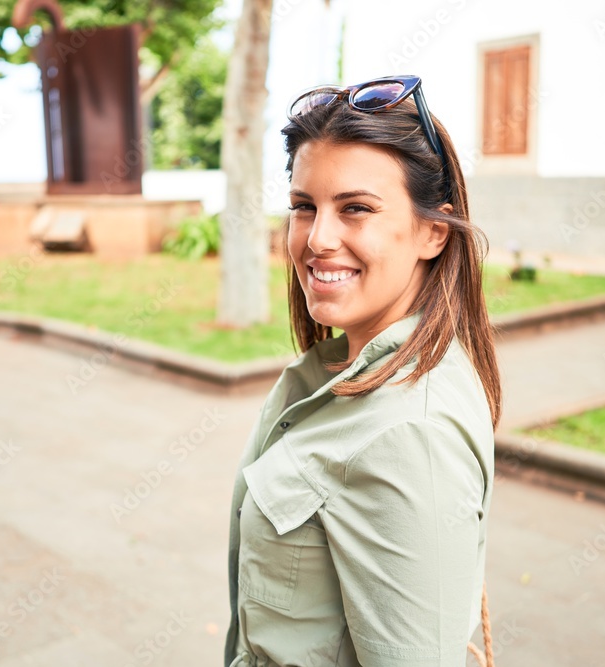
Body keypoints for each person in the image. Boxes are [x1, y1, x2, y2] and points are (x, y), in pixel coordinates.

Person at [223, 75, 502, 667]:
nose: (317, 239)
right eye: (304, 207)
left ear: (432, 231)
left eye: (356, 209)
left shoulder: (410, 433)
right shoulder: (340, 369)